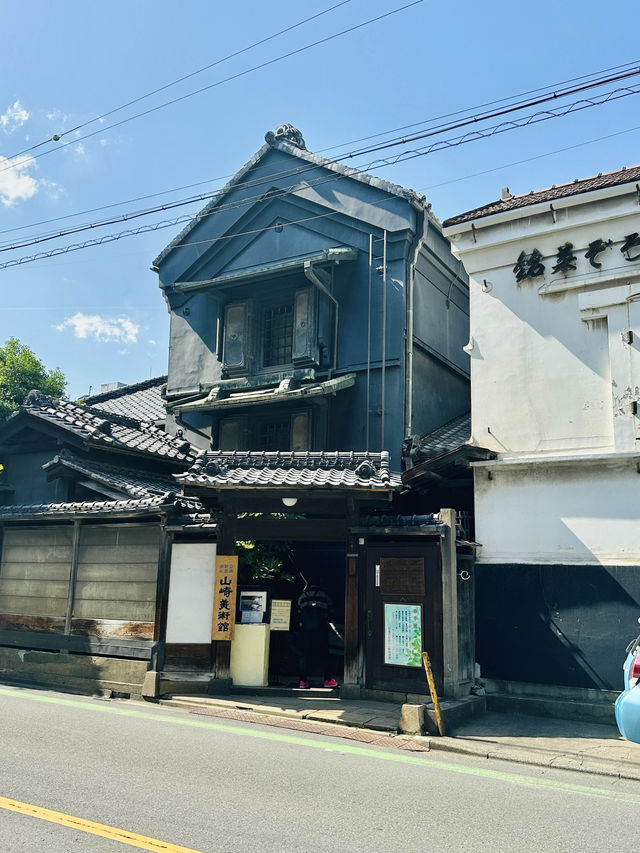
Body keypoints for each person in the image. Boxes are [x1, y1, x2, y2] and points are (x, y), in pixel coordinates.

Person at [297, 578, 339, 689]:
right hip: (320, 629)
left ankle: (303, 681)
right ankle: (327, 680)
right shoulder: (323, 593)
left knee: (304, 654)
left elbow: (299, 608)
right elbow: (331, 607)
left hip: (306, 630)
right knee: (324, 654)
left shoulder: (304, 594)